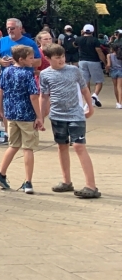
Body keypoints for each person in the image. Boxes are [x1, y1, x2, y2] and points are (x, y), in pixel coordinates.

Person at [40, 44, 99, 198]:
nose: (61, 60)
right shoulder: (45, 74)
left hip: (76, 115)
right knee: (62, 146)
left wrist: (90, 107)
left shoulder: (74, 70)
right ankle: (66, 181)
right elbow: (44, 96)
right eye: (57, 57)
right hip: (57, 116)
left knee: (79, 146)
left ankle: (91, 186)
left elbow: (85, 89)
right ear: (48, 58)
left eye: (63, 56)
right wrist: (40, 116)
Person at [0, 45, 44, 195]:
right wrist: (39, 116)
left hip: (11, 113)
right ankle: (28, 181)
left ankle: (1, 173)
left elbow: (1, 90)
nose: (33, 60)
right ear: (21, 59)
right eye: (30, 57)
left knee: (13, 145)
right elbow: (33, 96)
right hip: (27, 114)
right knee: (28, 147)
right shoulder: (28, 74)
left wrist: (0, 109)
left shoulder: (6, 71)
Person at [75, 24, 107, 107]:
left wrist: (81, 35)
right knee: (99, 81)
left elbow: (74, 44)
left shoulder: (79, 39)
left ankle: (88, 101)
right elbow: (99, 51)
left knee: (85, 81)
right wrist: (105, 62)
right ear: (93, 31)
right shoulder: (95, 40)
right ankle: (95, 95)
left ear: (83, 30)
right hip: (94, 61)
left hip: (82, 61)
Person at [108, 43, 122, 109]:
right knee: (120, 87)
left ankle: (117, 102)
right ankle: (120, 102)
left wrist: (107, 69)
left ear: (112, 49)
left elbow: (109, 64)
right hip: (121, 71)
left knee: (115, 87)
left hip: (113, 71)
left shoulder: (109, 55)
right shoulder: (120, 55)